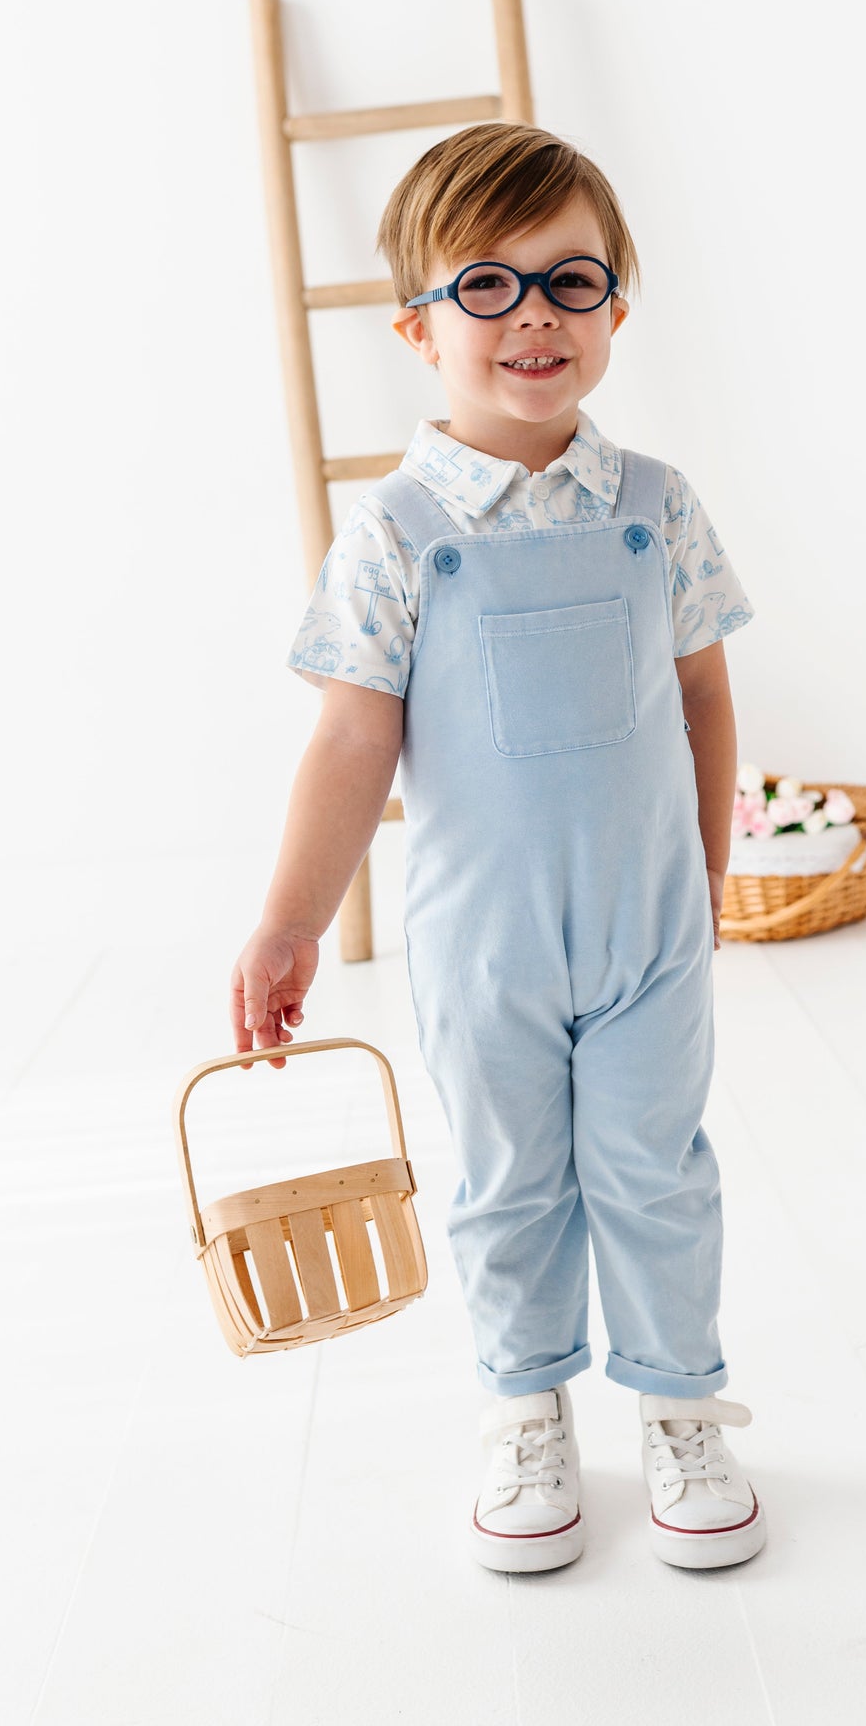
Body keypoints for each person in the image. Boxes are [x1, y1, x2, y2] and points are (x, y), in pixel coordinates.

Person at [229, 122, 764, 1574]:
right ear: (417, 326)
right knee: (510, 1179)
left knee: (656, 1166)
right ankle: (525, 1410)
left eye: (570, 280)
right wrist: (290, 921)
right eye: (485, 284)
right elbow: (352, 743)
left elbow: (705, 694)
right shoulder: (396, 534)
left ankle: (680, 1404)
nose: (534, 313)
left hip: (649, 925)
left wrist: (708, 872)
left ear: (615, 308)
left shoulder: (657, 506)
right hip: (484, 940)